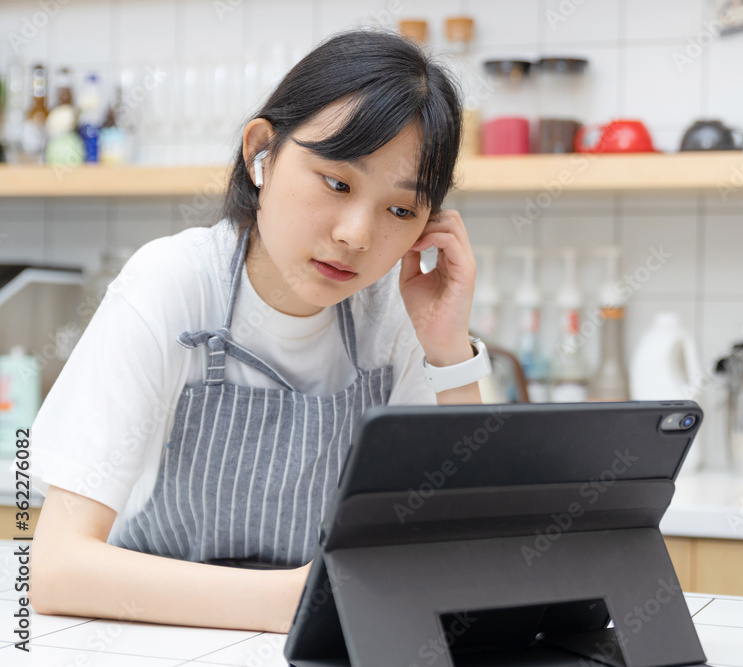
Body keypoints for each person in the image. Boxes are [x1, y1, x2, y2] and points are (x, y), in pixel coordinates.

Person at [27, 29, 489, 634]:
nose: (357, 234)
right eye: (337, 182)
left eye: (401, 210)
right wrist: (298, 602)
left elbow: (465, 555)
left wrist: (449, 350)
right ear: (261, 153)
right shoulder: (172, 283)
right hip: (150, 641)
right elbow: (57, 569)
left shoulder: (394, 312)